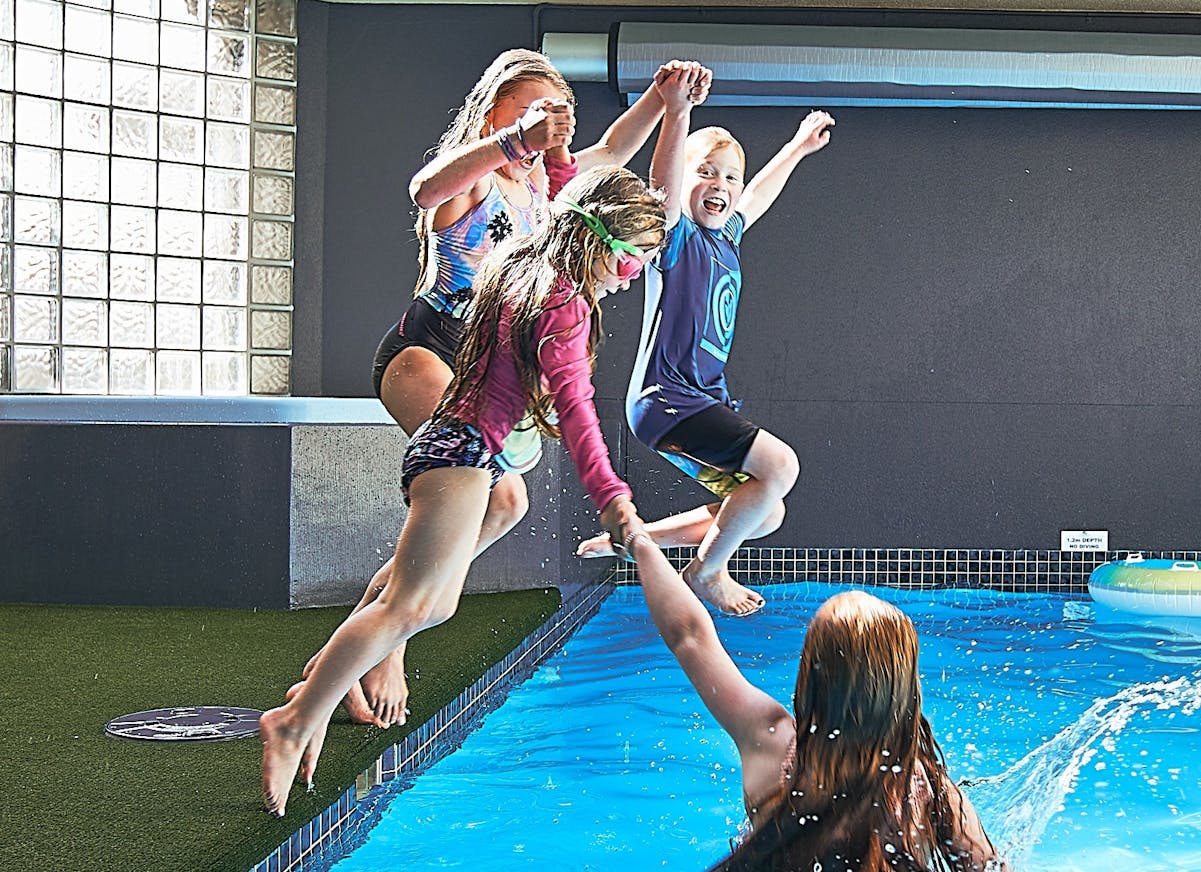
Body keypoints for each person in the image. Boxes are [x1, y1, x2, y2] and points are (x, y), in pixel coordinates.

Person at [318, 51, 709, 729]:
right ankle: (387, 645)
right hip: (427, 351)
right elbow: (424, 189)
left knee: (507, 503)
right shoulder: (477, 182)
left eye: (552, 119)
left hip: (484, 366)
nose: (542, 131)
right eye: (526, 113)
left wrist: (661, 97)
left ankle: (384, 618)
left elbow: (615, 149)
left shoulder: (551, 194)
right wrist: (515, 139)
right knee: (488, 493)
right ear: (491, 115)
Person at [262, 165, 664, 817]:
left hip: (456, 447)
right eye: (634, 259)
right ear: (602, 243)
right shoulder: (563, 306)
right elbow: (581, 415)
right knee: (412, 606)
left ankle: (326, 679)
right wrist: (614, 497)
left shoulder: (522, 266)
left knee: (426, 602)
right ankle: (295, 719)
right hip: (462, 452)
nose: (634, 275)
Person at [626, 531, 1040, 872]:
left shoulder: (774, 745)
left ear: (813, 675)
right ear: (903, 690)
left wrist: (637, 538)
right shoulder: (926, 786)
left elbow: (690, 636)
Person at [576, 99, 836, 618]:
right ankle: (706, 570)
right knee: (780, 465)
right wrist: (677, 114)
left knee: (765, 511)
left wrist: (798, 148)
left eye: (729, 178)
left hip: (694, 401)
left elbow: (757, 196)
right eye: (705, 172)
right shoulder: (676, 237)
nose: (720, 184)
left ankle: (637, 538)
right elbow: (663, 189)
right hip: (667, 400)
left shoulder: (727, 238)